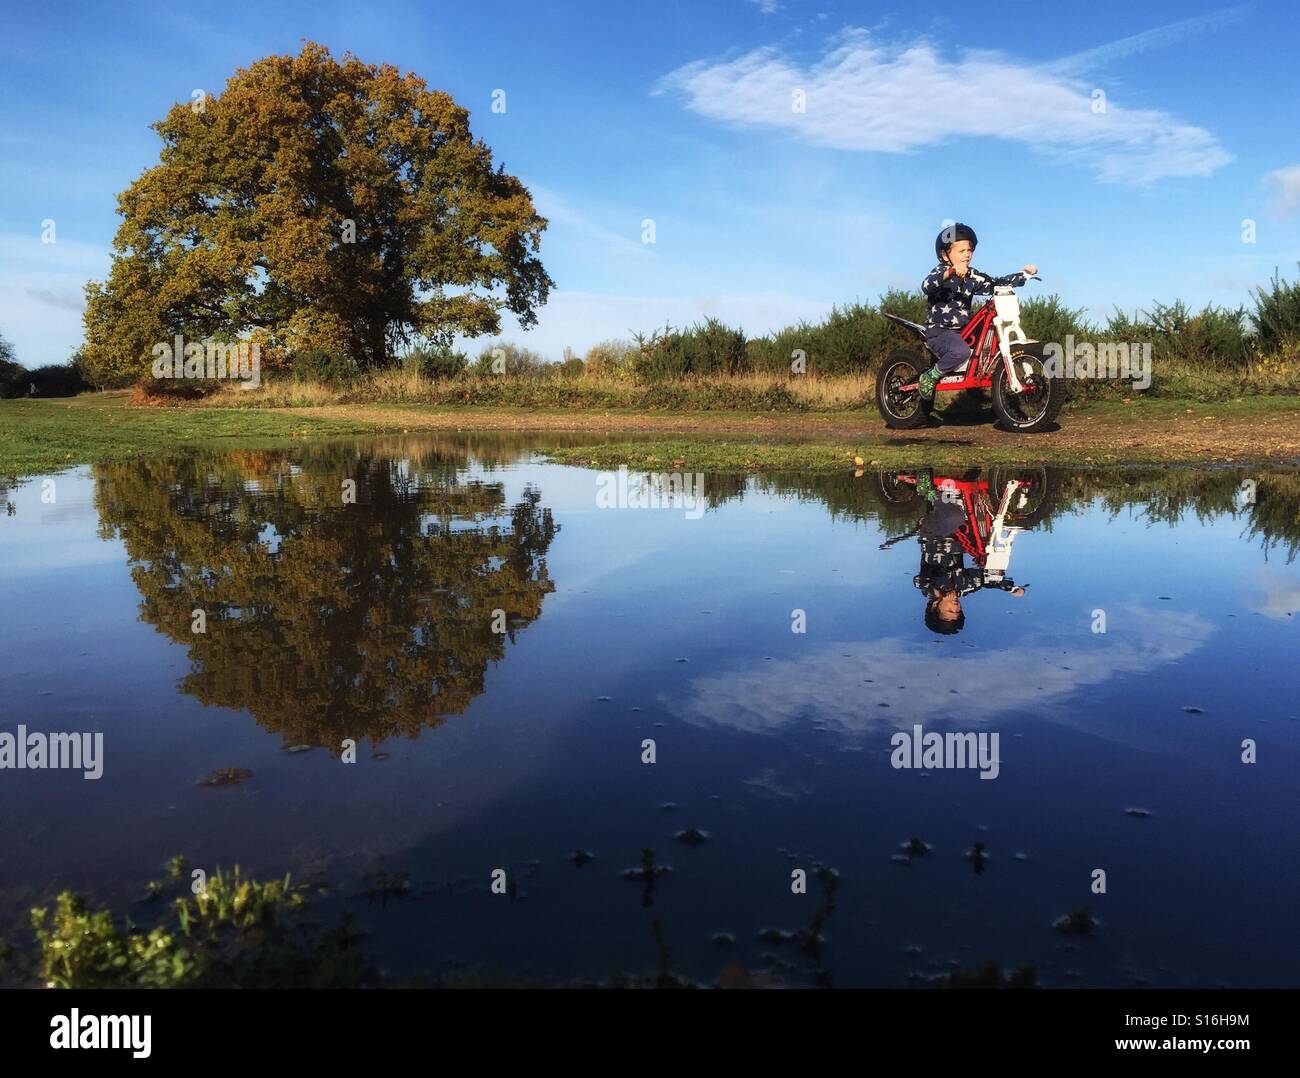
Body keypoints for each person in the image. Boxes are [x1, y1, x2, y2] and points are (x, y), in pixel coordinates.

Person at [917, 223, 1037, 401]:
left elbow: (996, 283)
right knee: (961, 352)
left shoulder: (971, 276)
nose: (967, 254)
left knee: (991, 341)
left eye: (970, 250)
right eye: (961, 250)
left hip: (964, 331)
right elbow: (926, 285)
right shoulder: (941, 271)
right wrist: (949, 273)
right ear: (944, 254)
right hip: (940, 330)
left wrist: (1023, 275)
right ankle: (931, 376)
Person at [911, 474, 1025, 634]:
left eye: (950, 610)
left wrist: (938, 593)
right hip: (957, 538)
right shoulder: (963, 587)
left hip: (934, 534)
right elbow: (986, 580)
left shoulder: (930, 588)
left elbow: (918, 581)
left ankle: (927, 491)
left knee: (955, 516)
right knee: (986, 529)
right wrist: (1010, 588)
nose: (955, 607)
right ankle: (995, 485)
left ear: (935, 606)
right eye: (958, 611)